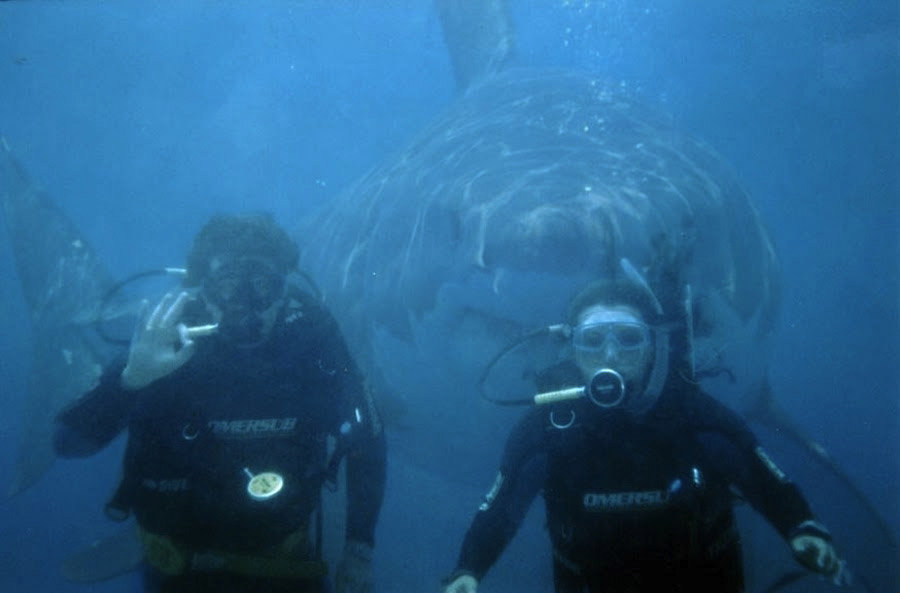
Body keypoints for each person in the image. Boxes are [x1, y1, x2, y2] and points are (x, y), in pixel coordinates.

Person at [442, 263, 844, 593]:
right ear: (572, 348)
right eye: (593, 340)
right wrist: (468, 569)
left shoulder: (691, 414)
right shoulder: (550, 425)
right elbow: (502, 506)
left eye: (630, 339)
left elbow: (758, 473)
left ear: (653, 346)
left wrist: (800, 525)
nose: (611, 354)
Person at [54, 213, 386, 593]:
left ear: (283, 290)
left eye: (262, 283)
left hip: (287, 569)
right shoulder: (165, 343)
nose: (246, 303)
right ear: (202, 290)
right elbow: (66, 443)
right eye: (228, 284)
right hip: (177, 575)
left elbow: (368, 443)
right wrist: (131, 379)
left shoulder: (311, 340)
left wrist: (359, 553)